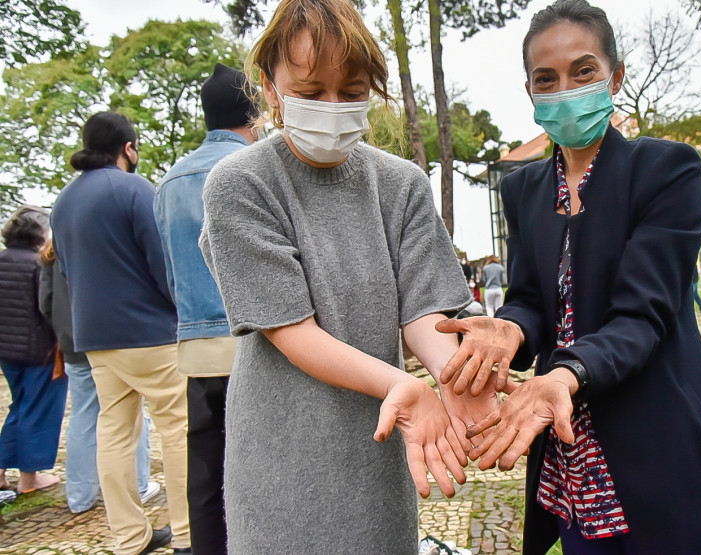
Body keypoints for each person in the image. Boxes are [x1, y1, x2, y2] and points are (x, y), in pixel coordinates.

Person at [434, 1, 701, 552]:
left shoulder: (667, 171)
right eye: (547, 78)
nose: (564, 88)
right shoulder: (521, 191)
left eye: (583, 70)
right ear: (530, 92)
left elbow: (644, 315)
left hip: (662, 436)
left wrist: (564, 376)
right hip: (575, 456)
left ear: (614, 75)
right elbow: (528, 300)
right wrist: (508, 331)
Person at [197, 0, 489, 551]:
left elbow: (423, 310)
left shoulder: (401, 184)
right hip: (280, 453)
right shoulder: (240, 183)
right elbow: (292, 332)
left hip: (381, 447)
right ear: (270, 86)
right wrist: (401, 383)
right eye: (310, 93)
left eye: (352, 93)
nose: (332, 107)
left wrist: (456, 376)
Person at [51, 111, 190, 554]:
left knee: (113, 429)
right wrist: (180, 308)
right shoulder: (134, 188)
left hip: (93, 335)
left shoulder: (62, 202)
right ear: (128, 148)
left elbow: (67, 272)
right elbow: (161, 262)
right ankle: (188, 532)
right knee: (178, 425)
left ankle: (129, 537)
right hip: (147, 332)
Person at [154, 62, 258, 555]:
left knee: (204, 473)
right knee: (263, 466)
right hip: (254, 341)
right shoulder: (256, 166)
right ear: (254, 112)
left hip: (195, 343)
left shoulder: (169, 181)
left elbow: (167, 271)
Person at [37, 240, 158, 514]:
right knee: (128, 413)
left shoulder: (51, 252)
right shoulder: (98, 244)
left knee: (83, 417)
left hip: (74, 343)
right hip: (112, 338)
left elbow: (45, 302)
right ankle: (138, 485)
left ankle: (79, 496)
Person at [0, 206, 68, 494]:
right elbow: (47, 308)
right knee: (40, 411)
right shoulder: (38, 264)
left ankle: (1, 472)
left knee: (18, 406)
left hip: (6, 350)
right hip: (40, 351)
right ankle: (29, 479)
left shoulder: (2, 260)